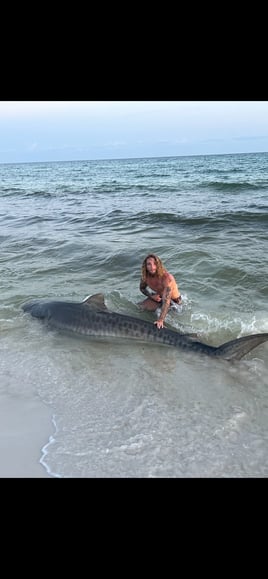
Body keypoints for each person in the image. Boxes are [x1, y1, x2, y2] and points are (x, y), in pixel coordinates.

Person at [139, 253, 182, 330]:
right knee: (141, 307)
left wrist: (161, 320)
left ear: (158, 264)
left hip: (174, 303)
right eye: (149, 264)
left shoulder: (166, 278)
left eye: (155, 264)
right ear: (145, 266)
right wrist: (152, 296)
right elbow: (142, 288)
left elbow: (167, 301)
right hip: (160, 297)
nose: (152, 267)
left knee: (168, 323)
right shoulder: (145, 277)